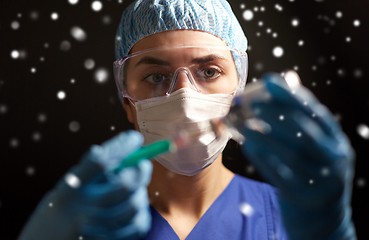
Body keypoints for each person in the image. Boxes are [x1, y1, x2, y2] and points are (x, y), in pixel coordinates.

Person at [19, 0, 357, 240]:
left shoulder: (293, 217)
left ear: (239, 89)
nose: (184, 97)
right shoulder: (92, 221)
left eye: (209, 71)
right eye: (155, 76)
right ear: (128, 103)